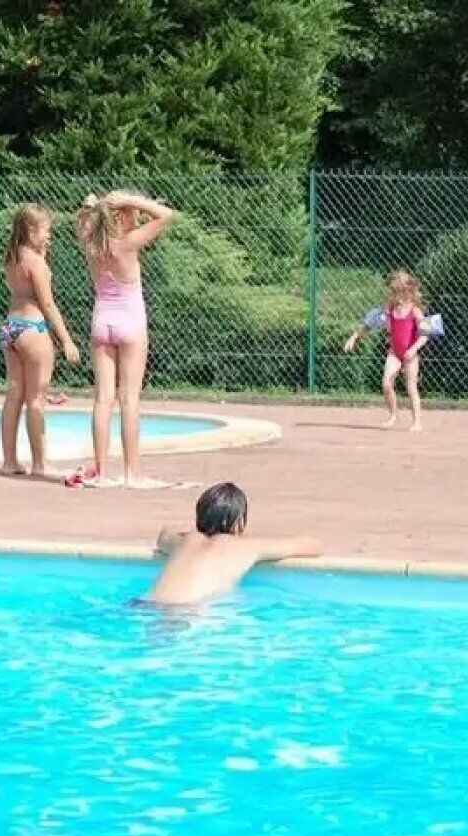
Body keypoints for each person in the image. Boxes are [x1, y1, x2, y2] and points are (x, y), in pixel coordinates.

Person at [72, 189, 176, 489]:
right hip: (130, 322)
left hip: (101, 322)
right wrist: (133, 201)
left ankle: (102, 472)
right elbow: (167, 215)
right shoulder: (128, 243)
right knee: (129, 399)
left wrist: (91, 206)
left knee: (102, 398)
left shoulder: (91, 243)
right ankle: (132, 472)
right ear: (121, 216)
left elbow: (83, 221)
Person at [0, 204, 81, 475]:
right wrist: (66, 340)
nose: (49, 235)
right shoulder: (35, 263)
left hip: (11, 327)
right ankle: (40, 463)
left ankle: (9, 461)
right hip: (33, 328)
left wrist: (42, 254)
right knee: (36, 399)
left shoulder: (12, 256)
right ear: (31, 231)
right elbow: (47, 303)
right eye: (46, 230)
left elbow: (24, 290)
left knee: (14, 395)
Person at [147, 482, 323, 605]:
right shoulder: (248, 547)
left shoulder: (183, 541)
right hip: (190, 611)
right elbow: (313, 545)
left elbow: (164, 534)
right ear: (238, 521)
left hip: (147, 604)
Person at [342, 269, 429, 432]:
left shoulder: (415, 310)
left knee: (411, 387)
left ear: (407, 290)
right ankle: (393, 415)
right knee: (386, 383)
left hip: (410, 355)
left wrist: (413, 349)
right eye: (393, 291)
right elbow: (368, 323)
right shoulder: (389, 309)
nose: (394, 296)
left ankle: (417, 422)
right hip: (394, 353)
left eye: (397, 291)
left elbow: (425, 335)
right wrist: (353, 338)